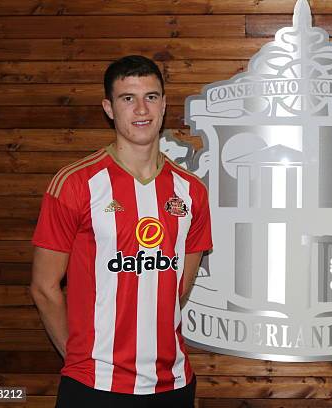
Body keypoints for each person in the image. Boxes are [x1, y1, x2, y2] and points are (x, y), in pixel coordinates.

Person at [30, 55, 212, 407]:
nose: (141, 109)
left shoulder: (192, 191)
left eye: (151, 96)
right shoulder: (75, 184)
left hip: (172, 383)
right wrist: (81, 360)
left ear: (164, 104)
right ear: (109, 108)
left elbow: (180, 286)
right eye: (128, 98)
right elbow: (44, 287)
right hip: (92, 384)